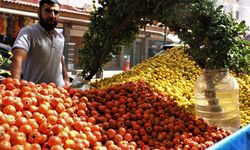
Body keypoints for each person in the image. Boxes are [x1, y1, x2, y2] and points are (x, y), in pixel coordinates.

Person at [9, 0, 70, 87]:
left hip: (59, 94)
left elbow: (61, 59)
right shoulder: (28, 32)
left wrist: (66, 79)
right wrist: (14, 88)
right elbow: (17, 58)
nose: (52, 15)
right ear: (39, 12)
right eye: (48, 11)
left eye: (56, 12)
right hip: (35, 94)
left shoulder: (60, 37)